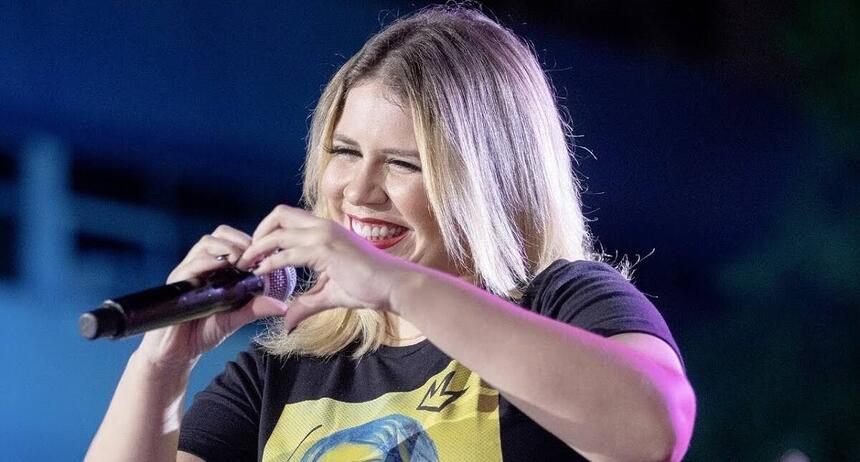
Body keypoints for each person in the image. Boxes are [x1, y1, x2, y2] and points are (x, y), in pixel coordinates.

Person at [85, 5, 695, 462]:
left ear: (489, 179)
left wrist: (398, 285)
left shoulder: (565, 302)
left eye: (405, 163)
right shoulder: (288, 372)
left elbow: (651, 432)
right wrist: (161, 365)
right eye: (345, 152)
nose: (357, 191)